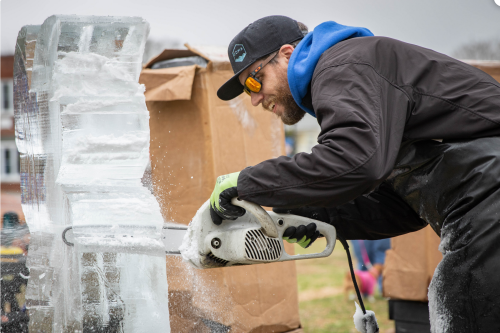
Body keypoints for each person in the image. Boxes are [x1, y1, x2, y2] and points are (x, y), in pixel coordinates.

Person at [208, 15, 500, 332]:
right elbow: (403, 207)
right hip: (482, 191)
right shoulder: (354, 75)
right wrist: (322, 215)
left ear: (288, 55)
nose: (254, 99)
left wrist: (246, 182)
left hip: (490, 190)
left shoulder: (341, 65)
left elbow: (355, 160)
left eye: (254, 80)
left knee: (463, 312)